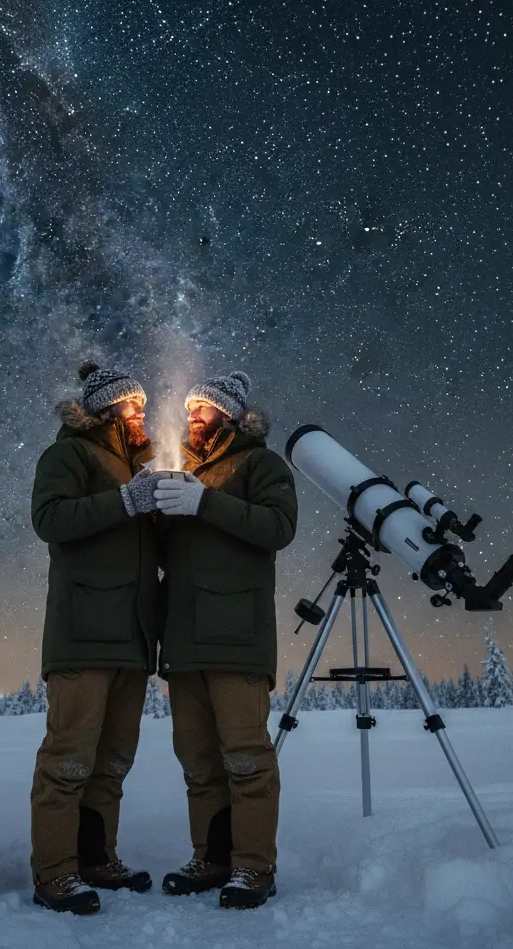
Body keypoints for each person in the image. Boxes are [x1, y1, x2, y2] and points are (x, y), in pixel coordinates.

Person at [153, 370, 298, 909]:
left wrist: (205, 503)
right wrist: (157, 508)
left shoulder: (263, 465)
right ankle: (211, 859)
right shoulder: (185, 471)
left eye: (204, 406)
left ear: (231, 413)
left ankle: (254, 868)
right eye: (190, 405)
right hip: (186, 643)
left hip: (238, 640)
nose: (193, 412)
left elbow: (278, 528)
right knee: (197, 760)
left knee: (246, 758)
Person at [29, 361, 163, 915]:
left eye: (141, 403)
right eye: (131, 403)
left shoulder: (138, 465)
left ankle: (95, 857)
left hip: (131, 640)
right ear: (106, 407)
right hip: (83, 635)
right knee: (69, 761)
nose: (140, 411)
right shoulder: (71, 454)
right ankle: (54, 874)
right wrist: (124, 501)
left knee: (111, 763)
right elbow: (50, 519)